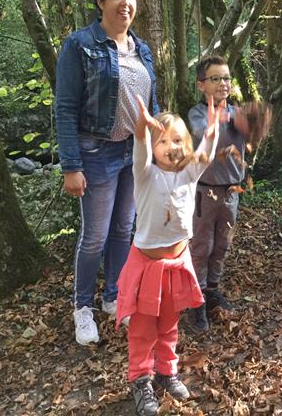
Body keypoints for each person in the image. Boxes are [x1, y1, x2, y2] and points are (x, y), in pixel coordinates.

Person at [55, 0, 160, 345]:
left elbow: (152, 106)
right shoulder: (79, 46)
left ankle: (113, 295)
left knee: (123, 230)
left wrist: (161, 149)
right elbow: (65, 108)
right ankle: (83, 307)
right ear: (101, 2)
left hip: (135, 152)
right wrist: (71, 166)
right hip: (95, 152)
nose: (125, 3)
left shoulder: (142, 48)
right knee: (95, 236)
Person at [116, 94, 221, 416]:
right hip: (147, 264)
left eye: (178, 139)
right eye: (163, 141)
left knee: (169, 324)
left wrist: (213, 132)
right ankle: (141, 379)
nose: (171, 146)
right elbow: (141, 152)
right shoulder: (146, 174)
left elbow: (204, 155)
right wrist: (142, 131)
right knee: (143, 328)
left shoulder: (188, 175)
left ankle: (166, 371)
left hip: (178, 263)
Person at [186, 56, 250, 333]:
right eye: (216, 78)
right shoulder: (197, 114)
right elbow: (203, 132)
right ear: (202, 85)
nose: (223, 83)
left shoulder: (239, 114)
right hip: (204, 191)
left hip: (231, 191)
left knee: (222, 246)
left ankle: (211, 290)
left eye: (226, 78)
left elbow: (253, 130)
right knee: (201, 247)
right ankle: (195, 300)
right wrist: (223, 117)